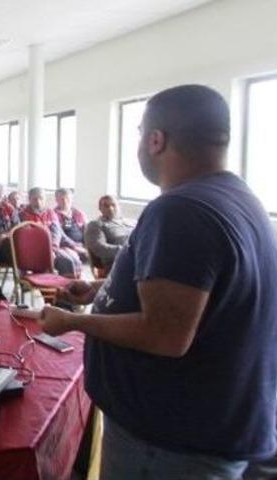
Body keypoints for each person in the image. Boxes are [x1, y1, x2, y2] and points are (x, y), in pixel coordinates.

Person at [40, 85, 277, 479]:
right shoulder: (242, 199)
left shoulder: (180, 209)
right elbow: (203, 292)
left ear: (156, 140)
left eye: (138, 135)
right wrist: (102, 290)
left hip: (171, 444)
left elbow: (165, 334)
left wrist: (72, 321)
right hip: (216, 425)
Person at [20, 187, 82, 277]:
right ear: (29, 199)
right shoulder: (22, 214)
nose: (38, 202)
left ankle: (67, 288)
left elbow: (56, 233)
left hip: (52, 247)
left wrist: (53, 248)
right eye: (34, 199)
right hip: (31, 249)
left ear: (45, 199)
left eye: (41, 198)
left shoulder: (51, 213)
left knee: (70, 260)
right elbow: (21, 236)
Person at [84, 195, 135, 271]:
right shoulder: (96, 224)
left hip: (139, 255)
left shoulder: (132, 222)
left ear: (119, 207)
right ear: (100, 209)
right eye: (106, 206)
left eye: (113, 205)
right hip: (119, 262)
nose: (110, 208)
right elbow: (100, 248)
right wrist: (126, 251)